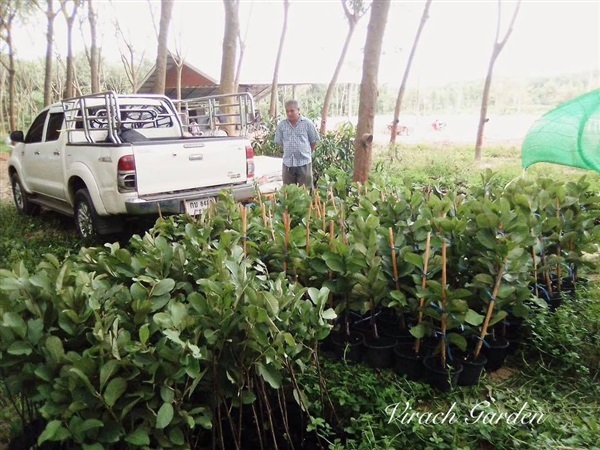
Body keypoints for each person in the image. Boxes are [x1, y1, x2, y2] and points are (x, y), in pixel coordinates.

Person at [274, 100, 320, 188]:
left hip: (304, 163)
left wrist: (305, 152)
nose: (289, 113)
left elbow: (313, 141)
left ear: (298, 110)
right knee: (289, 193)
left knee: (304, 192)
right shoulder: (282, 125)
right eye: (287, 111)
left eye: (292, 111)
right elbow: (280, 142)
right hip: (288, 164)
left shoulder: (308, 124)